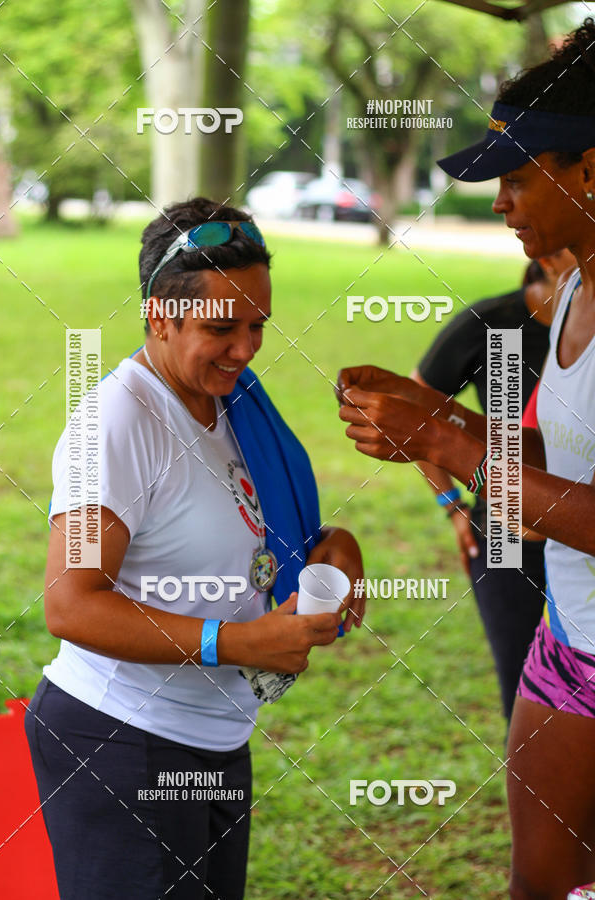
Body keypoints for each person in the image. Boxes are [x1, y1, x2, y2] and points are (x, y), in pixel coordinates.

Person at [25, 197, 365, 900]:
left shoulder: (232, 402)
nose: (245, 349)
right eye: (221, 328)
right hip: (119, 744)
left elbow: (264, 533)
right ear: (159, 314)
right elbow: (70, 605)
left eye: (258, 326)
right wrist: (236, 642)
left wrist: (336, 547)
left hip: (214, 738)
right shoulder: (115, 427)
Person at [337, 19, 595, 900]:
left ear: (589, 169)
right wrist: (434, 415)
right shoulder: (571, 297)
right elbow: (564, 458)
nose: (500, 204)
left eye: (517, 179)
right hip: (568, 640)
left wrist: (450, 442)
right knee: (544, 883)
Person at [411, 251, 574, 727]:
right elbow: (417, 409)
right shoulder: (496, 325)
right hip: (508, 538)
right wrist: (452, 504)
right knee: (526, 695)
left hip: (583, 538)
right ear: (543, 257)